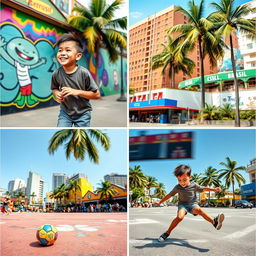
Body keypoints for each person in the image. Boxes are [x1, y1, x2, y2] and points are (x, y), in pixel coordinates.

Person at [156, 164, 225, 242]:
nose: (182, 182)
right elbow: (169, 195)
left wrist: (214, 189)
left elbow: (203, 188)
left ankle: (214, 222)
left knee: (200, 210)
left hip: (192, 204)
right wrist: (160, 201)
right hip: (182, 205)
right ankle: (167, 233)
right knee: (179, 217)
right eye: (179, 180)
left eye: (184, 180)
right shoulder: (177, 187)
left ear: (190, 177)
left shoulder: (194, 185)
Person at [51, 33, 100, 127]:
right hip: (65, 112)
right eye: (60, 50)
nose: (63, 53)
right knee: (62, 132)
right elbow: (54, 88)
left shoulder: (83, 73)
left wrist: (76, 92)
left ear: (78, 56)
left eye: (68, 50)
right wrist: (57, 93)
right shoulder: (56, 73)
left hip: (83, 113)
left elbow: (96, 94)